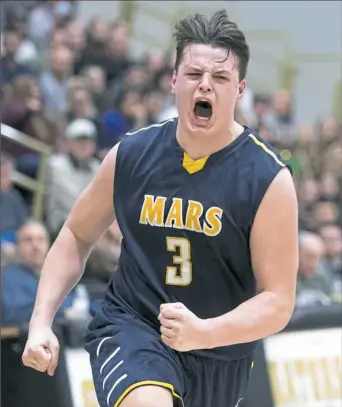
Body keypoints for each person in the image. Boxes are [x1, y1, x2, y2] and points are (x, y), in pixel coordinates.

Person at [22, 9, 299, 407]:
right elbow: (76, 235)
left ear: (239, 90)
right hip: (133, 327)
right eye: (193, 75)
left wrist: (203, 332)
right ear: (173, 81)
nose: (205, 86)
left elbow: (278, 301)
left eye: (220, 78)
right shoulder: (132, 154)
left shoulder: (268, 178)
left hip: (220, 352)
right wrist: (40, 322)